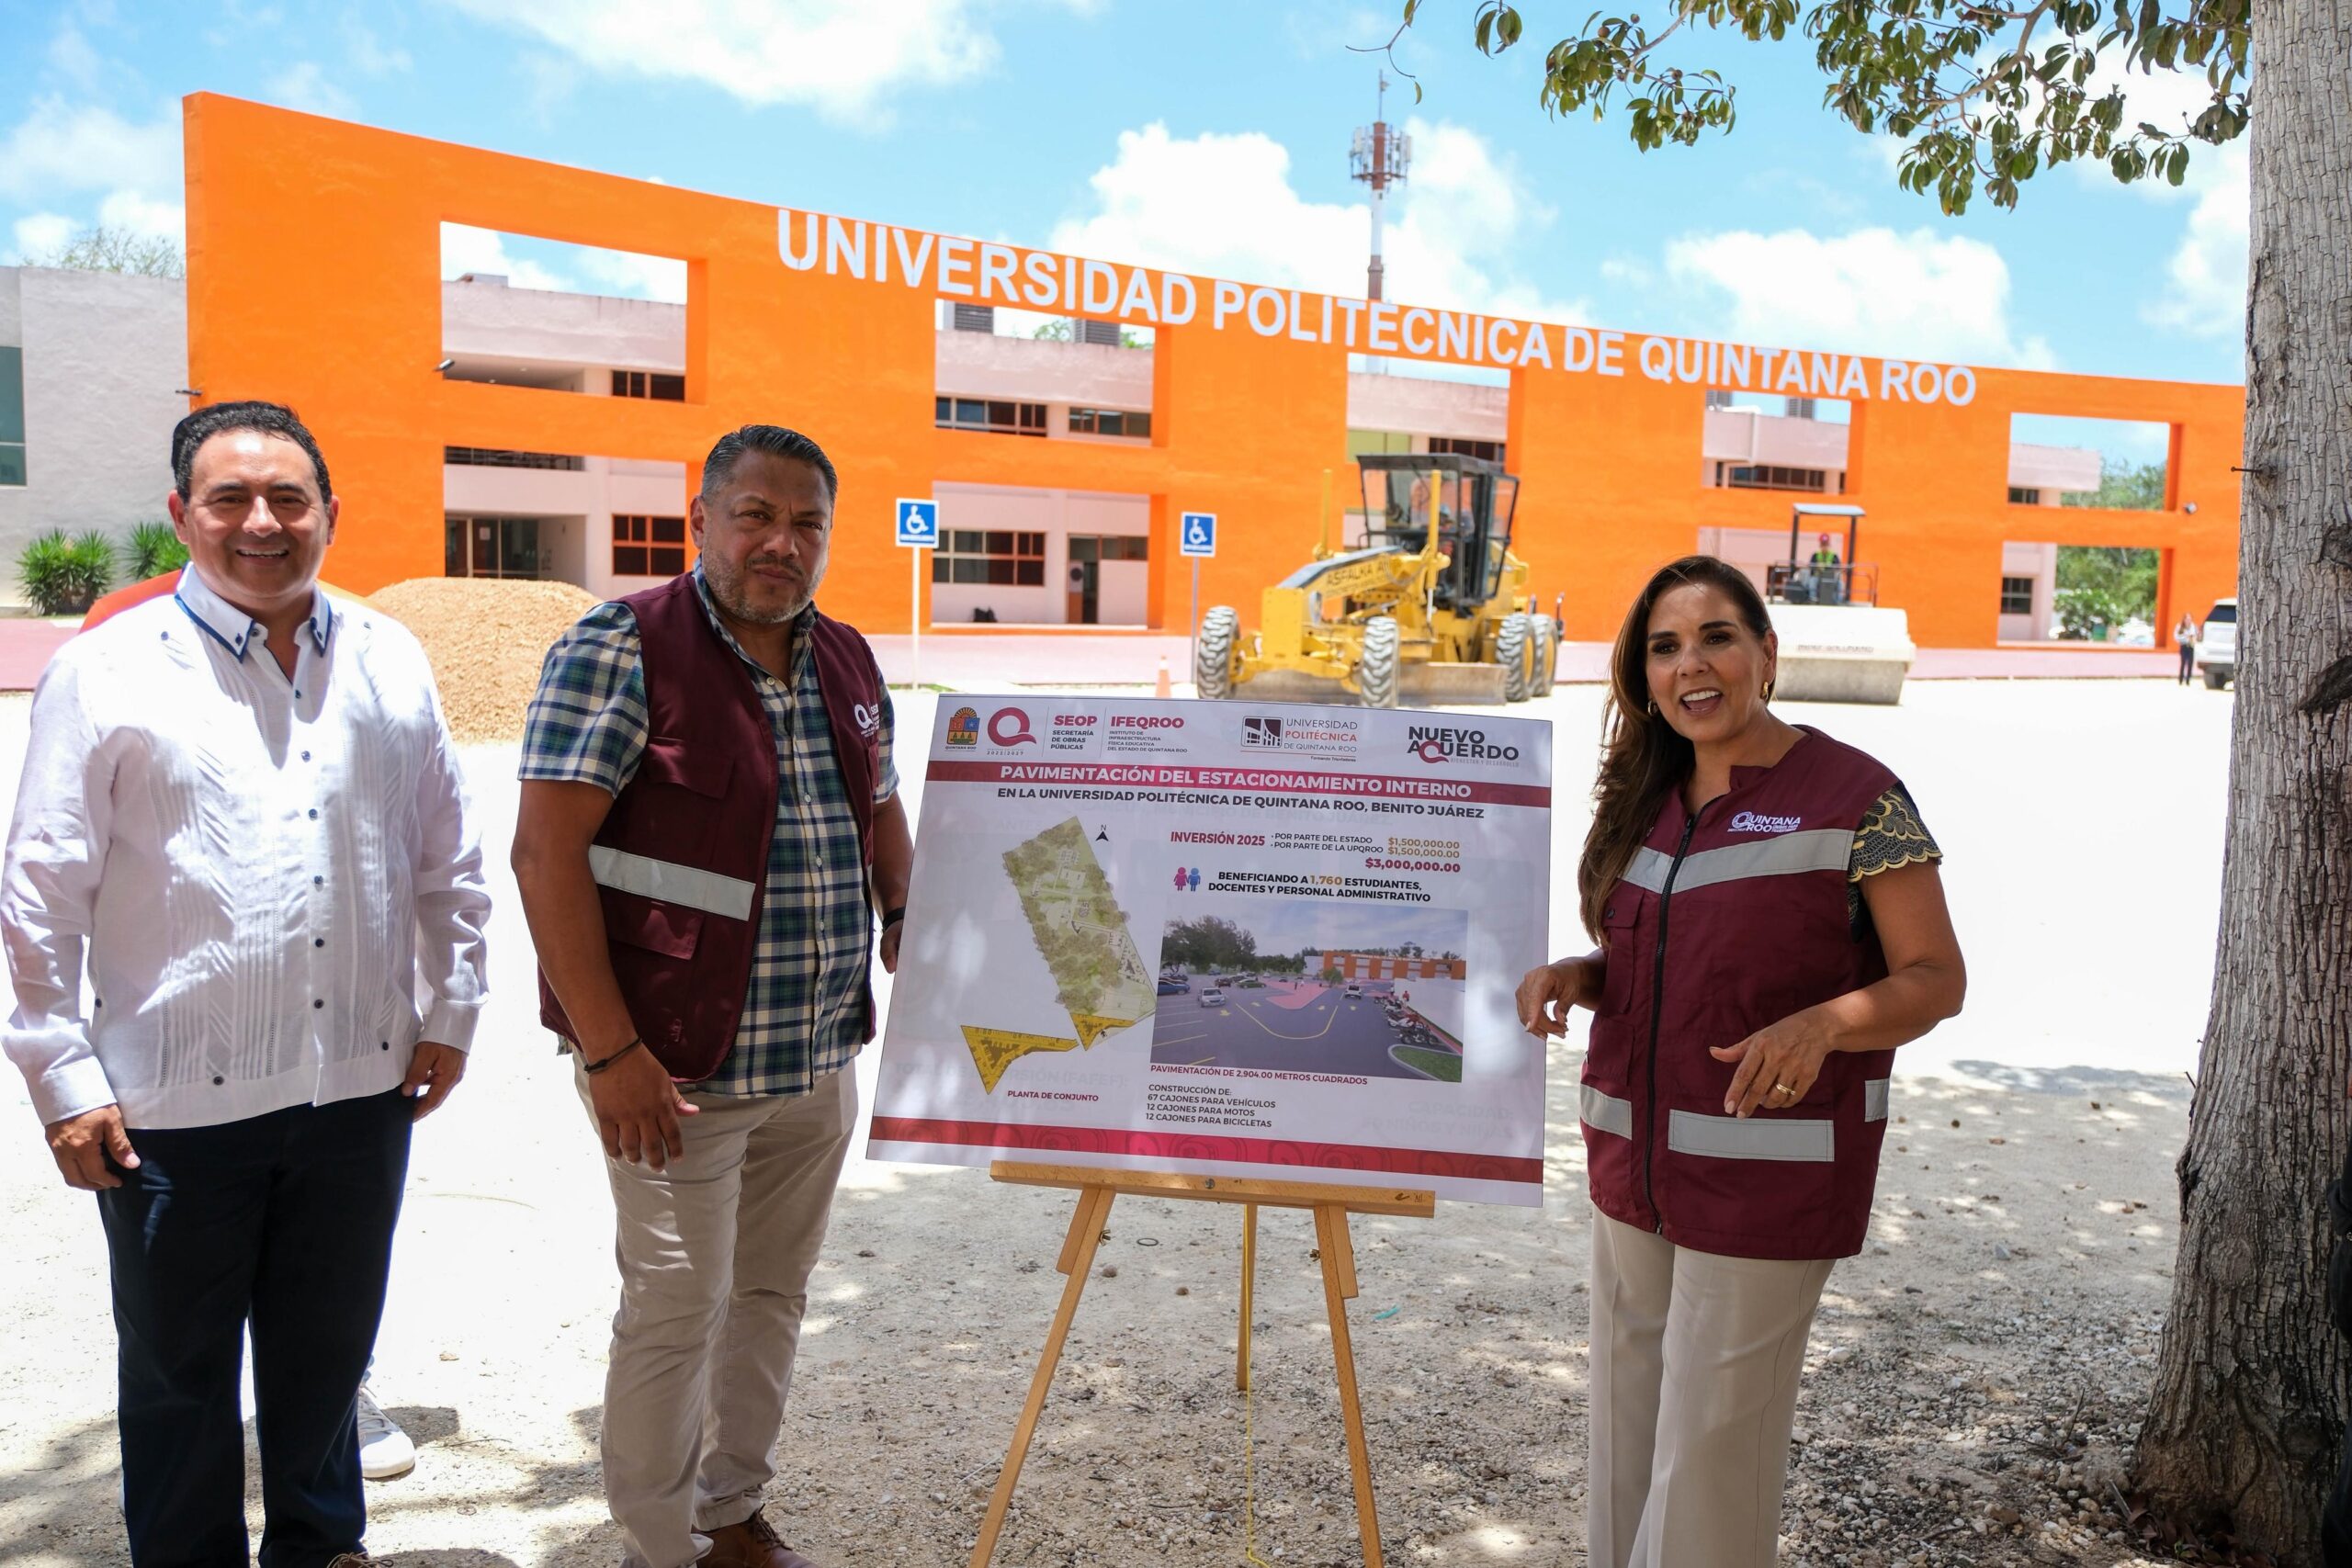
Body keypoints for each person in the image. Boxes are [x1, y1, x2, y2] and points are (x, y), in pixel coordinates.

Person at [2, 400, 489, 1566]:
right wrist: (61, 1075)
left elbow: (448, 855)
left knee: (324, 1362)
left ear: (330, 513)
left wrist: (453, 1008)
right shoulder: (105, 671)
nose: (261, 522)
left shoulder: (388, 656)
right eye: (229, 498)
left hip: (357, 1087)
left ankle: (322, 1548)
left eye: (288, 498)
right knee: (178, 1380)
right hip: (171, 1109)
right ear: (182, 514)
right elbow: (40, 888)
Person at [513, 424, 913, 1568]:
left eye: (807, 523)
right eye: (756, 515)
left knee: (772, 1298)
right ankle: (657, 1546)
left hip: (814, 1061)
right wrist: (607, 1054)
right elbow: (545, 856)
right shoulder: (620, 646)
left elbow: (877, 807)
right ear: (702, 520)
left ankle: (730, 1512)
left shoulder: (844, 656)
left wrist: (902, 914)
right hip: (674, 1073)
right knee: (676, 1316)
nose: (781, 543)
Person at [1515, 555, 1965, 1567]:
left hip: (1769, 1176)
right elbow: (1660, 951)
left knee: (1713, 1450)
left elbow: (1934, 978)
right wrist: (1584, 974)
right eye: (1663, 648)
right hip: (1632, 1174)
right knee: (1628, 1429)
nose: (1691, 665)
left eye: (1715, 636)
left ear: (1766, 650)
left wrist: (1824, 1024)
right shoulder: (1648, 796)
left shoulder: (1857, 796)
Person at [2175, 611, 2198, 685]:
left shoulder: (2193, 626)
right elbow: (2177, 637)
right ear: (2184, 620)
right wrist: (2186, 637)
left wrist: (2190, 638)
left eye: (2190, 619)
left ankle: (2188, 679)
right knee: (2183, 662)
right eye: (2187, 619)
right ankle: (2181, 679)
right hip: (2184, 646)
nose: (2188, 621)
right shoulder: (2180, 627)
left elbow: (2194, 636)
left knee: (2190, 663)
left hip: (2190, 646)